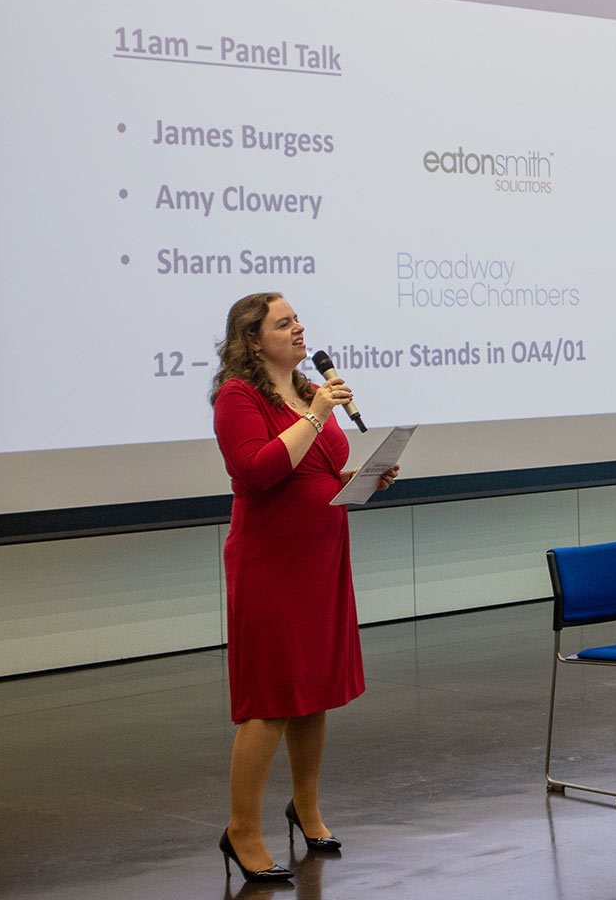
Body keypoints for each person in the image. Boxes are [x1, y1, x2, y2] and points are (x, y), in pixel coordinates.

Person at [210, 292, 398, 883]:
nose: (299, 330)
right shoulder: (236, 397)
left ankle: (307, 807)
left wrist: (360, 478)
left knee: (313, 693)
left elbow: (314, 467)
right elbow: (258, 470)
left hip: (321, 558)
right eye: (284, 323)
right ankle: (241, 829)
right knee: (269, 701)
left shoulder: (305, 394)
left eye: (298, 321)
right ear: (252, 338)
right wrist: (316, 411)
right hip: (271, 563)